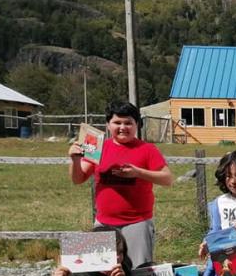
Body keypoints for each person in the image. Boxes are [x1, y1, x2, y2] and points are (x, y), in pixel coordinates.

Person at [68, 102, 173, 267]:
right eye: (117, 122)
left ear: (137, 125)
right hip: (103, 222)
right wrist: (75, 160)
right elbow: (78, 179)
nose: (123, 127)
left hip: (137, 223)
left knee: (138, 271)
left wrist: (138, 173)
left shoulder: (147, 149)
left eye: (128, 123)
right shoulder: (96, 147)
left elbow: (167, 179)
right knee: (101, 271)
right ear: (108, 125)